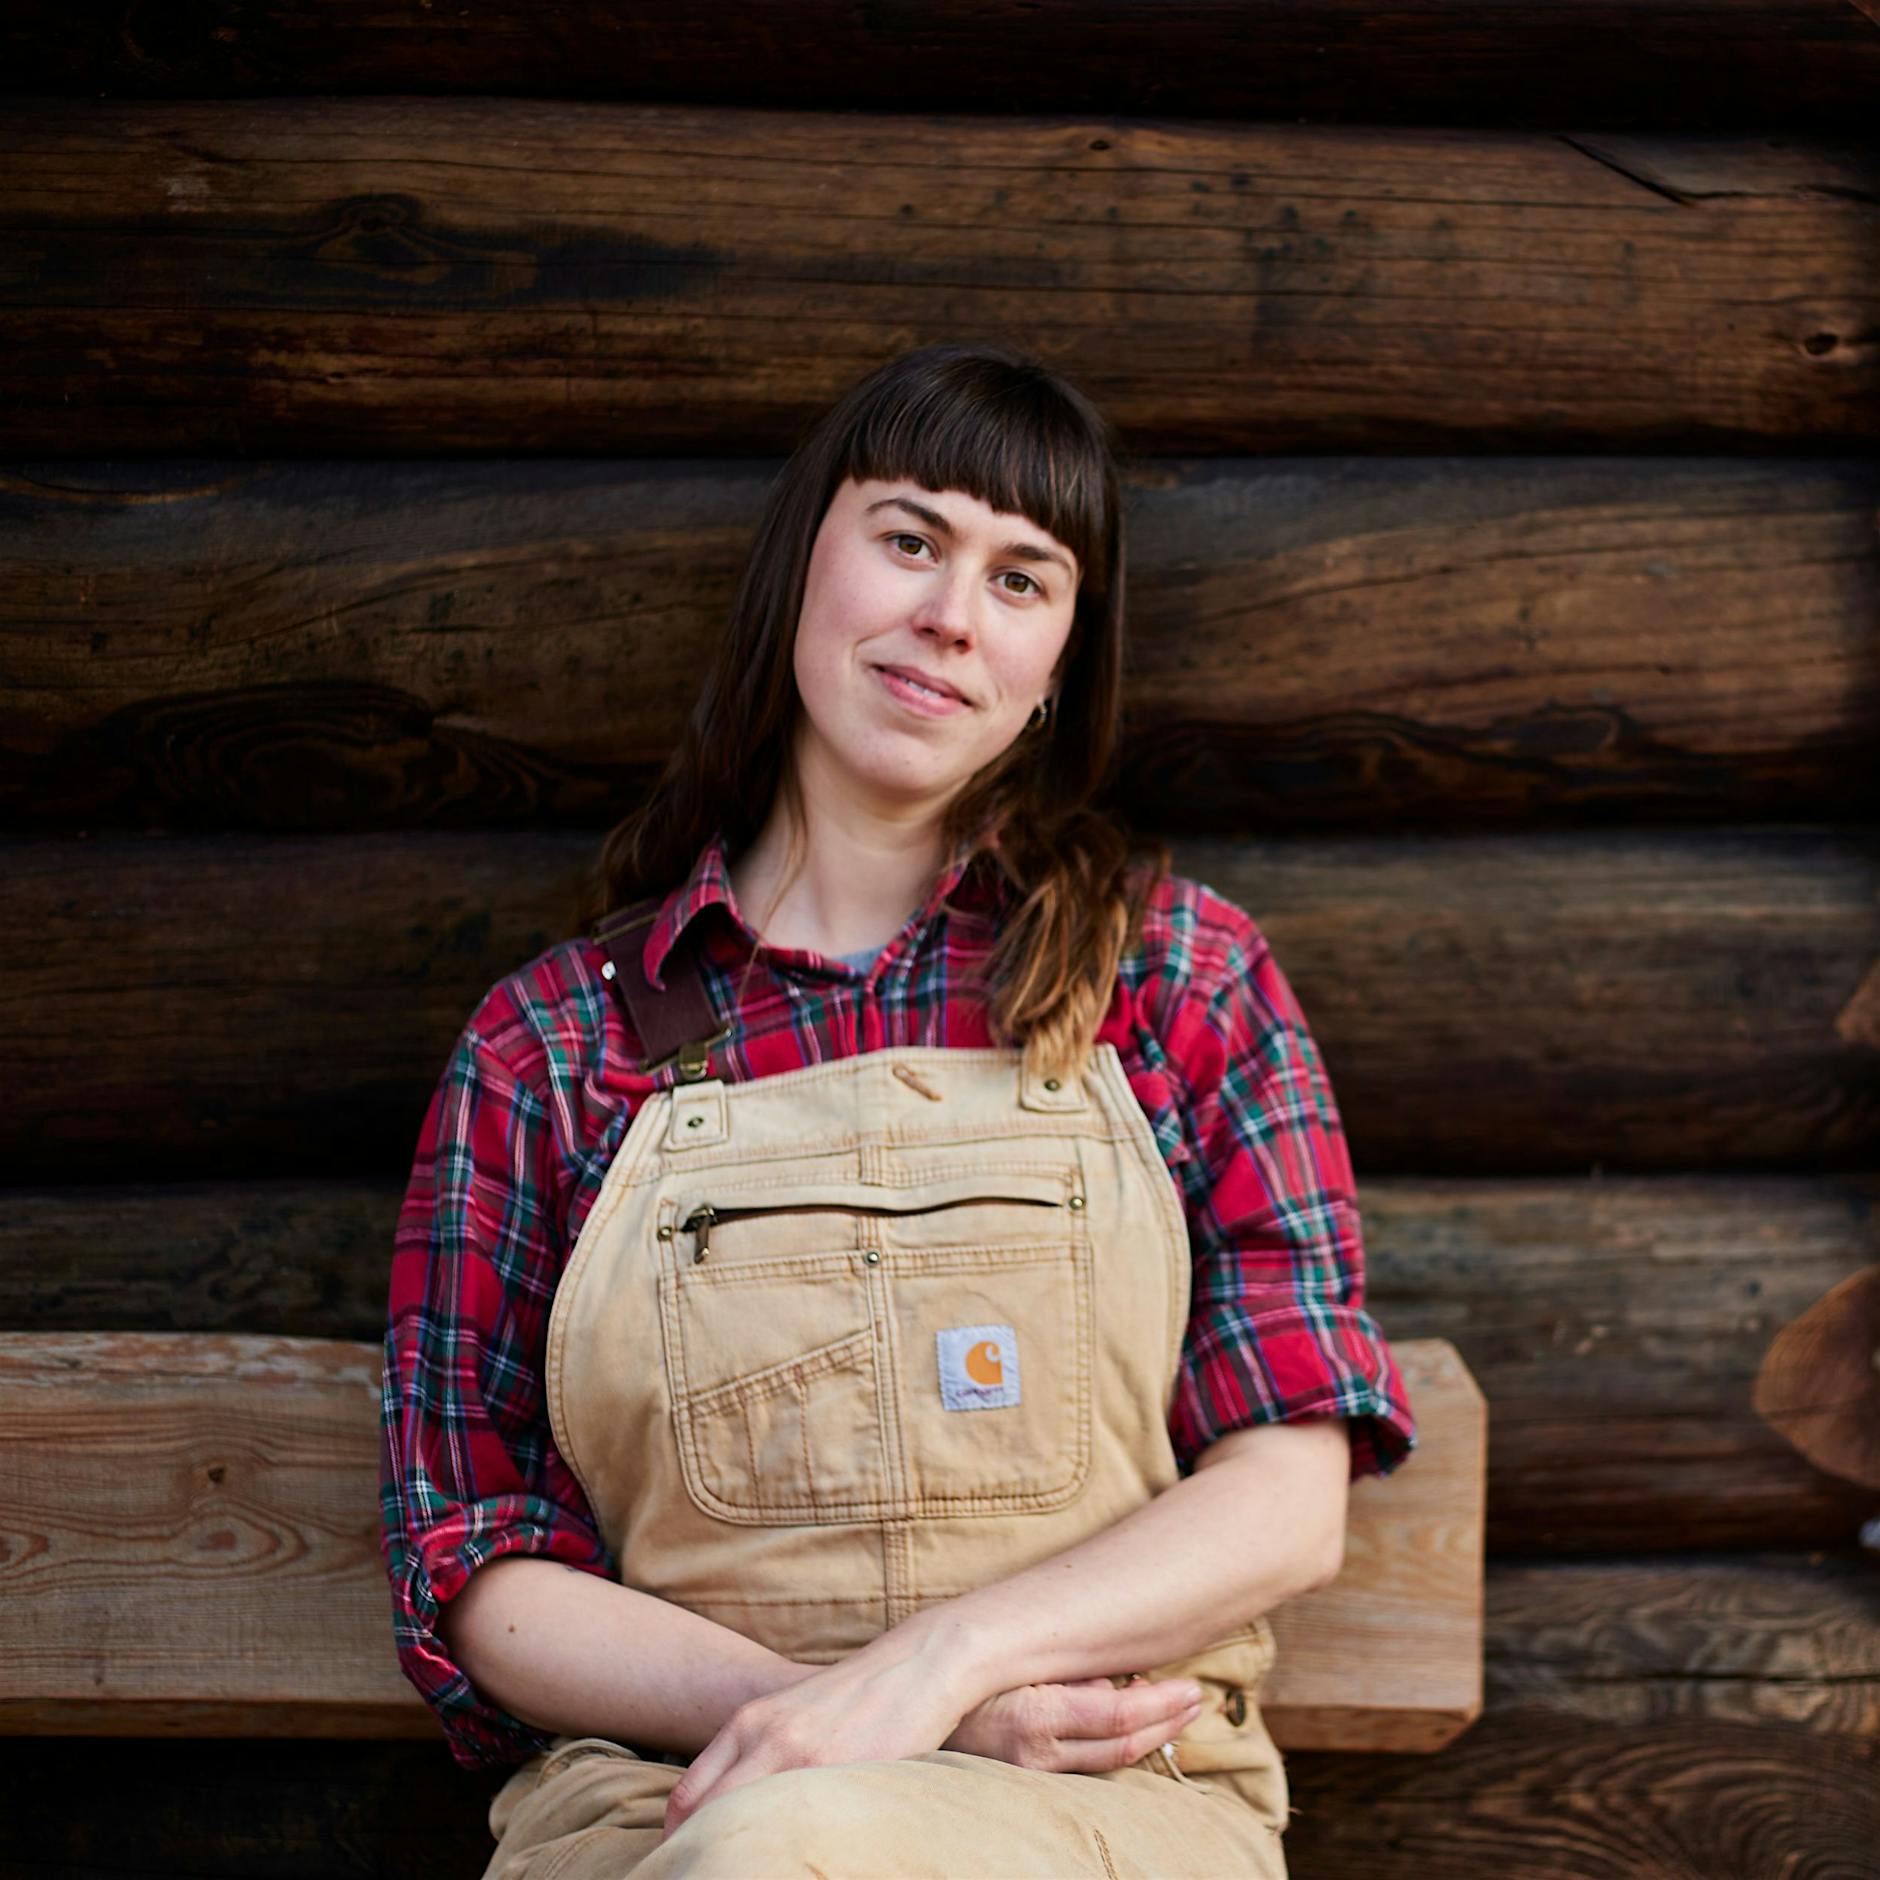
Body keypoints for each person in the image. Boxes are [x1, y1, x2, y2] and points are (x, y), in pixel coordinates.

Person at [379, 340, 1419, 1878]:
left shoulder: (1176, 985)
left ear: (1060, 660)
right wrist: (816, 1719)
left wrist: (939, 1676)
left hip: (1115, 1804)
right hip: (665, 1799)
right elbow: (472, 1563)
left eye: (1022, 578)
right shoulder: (555, 1049)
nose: (949, 615)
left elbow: (1284, 1502)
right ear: (809, 559)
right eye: (912, 540)